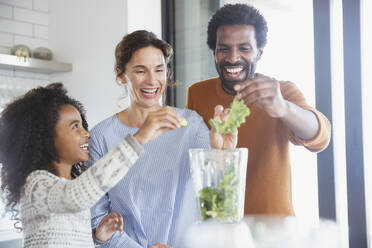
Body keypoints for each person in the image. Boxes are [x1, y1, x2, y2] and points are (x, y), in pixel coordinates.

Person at [89, 30, 236, 248]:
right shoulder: (102, 136)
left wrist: (222, 152)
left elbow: (217, 200)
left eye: (159, 69)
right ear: (121, 75)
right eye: (140, 71)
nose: (152, 80)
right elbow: (97, 220)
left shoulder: (190, 125)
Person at [186, 3, 331, 216]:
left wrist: (283, 108)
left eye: (244, 48)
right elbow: (192, 163)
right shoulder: (197, 93)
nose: (233, 58)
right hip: (219, 224)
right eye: (223, 48)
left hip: (274, 230)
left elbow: (321, 137)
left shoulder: (282, 92)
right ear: (214, 52)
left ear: (259, 53)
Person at [0, 83, 174, 248]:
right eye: (75, 126)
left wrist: (96, 237)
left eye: (83, 125)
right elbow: (76, 196)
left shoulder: (71, 185)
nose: (86, 133)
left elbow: (64, 239)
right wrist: (139, 138)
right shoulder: (36, 184)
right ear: (46, 138)